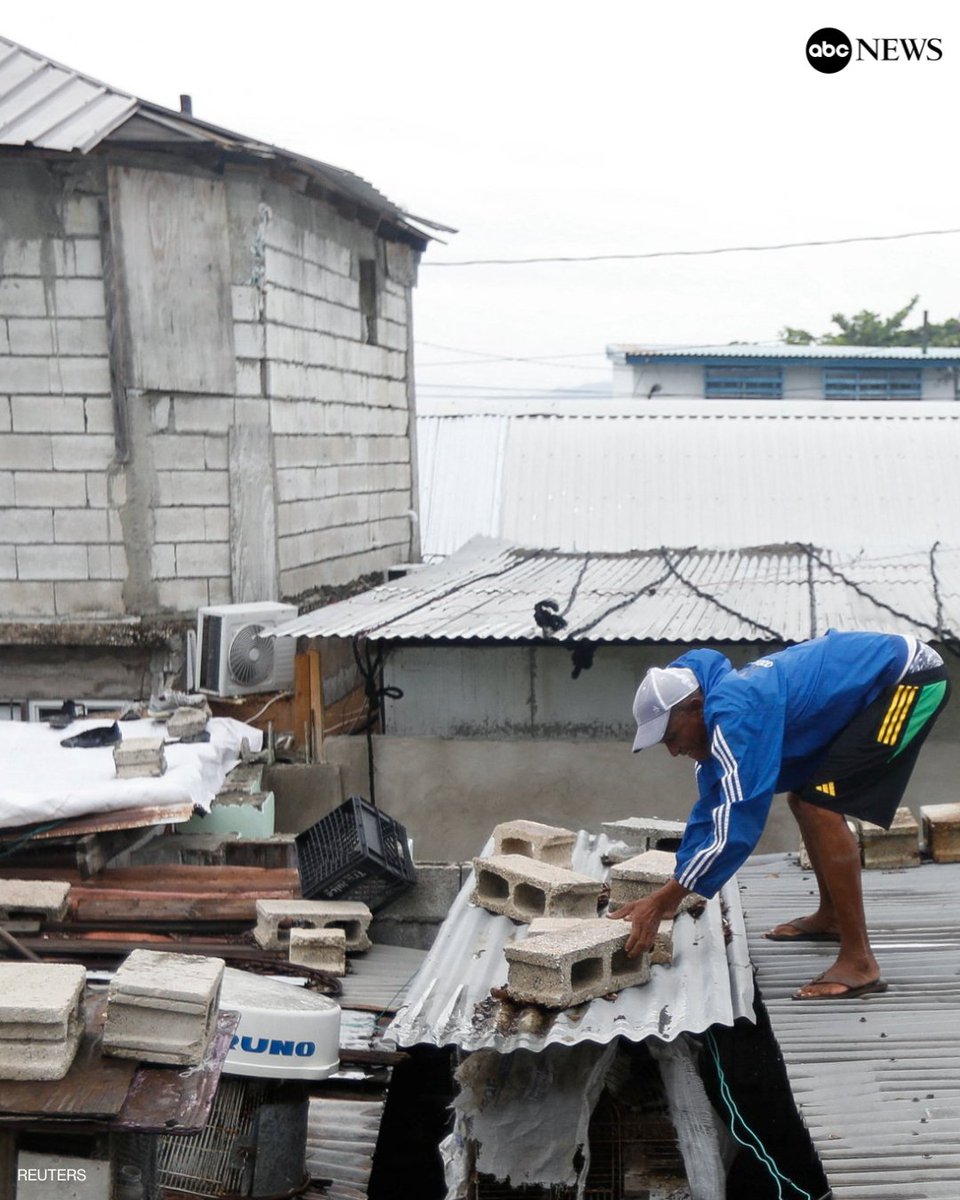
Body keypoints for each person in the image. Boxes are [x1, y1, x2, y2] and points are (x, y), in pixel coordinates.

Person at [611, 630, 950, 1000]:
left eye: (672, 737)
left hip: (908, 680)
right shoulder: (715, 716)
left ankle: (860, 962)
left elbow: (739, 823)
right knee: (804, 799)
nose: (674, 751)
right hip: (873, 685)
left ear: (695, 707)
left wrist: (665, 900)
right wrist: (676, 882)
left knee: (820, 807)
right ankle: (832, 916)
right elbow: (713, 808)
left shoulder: (735, 718)